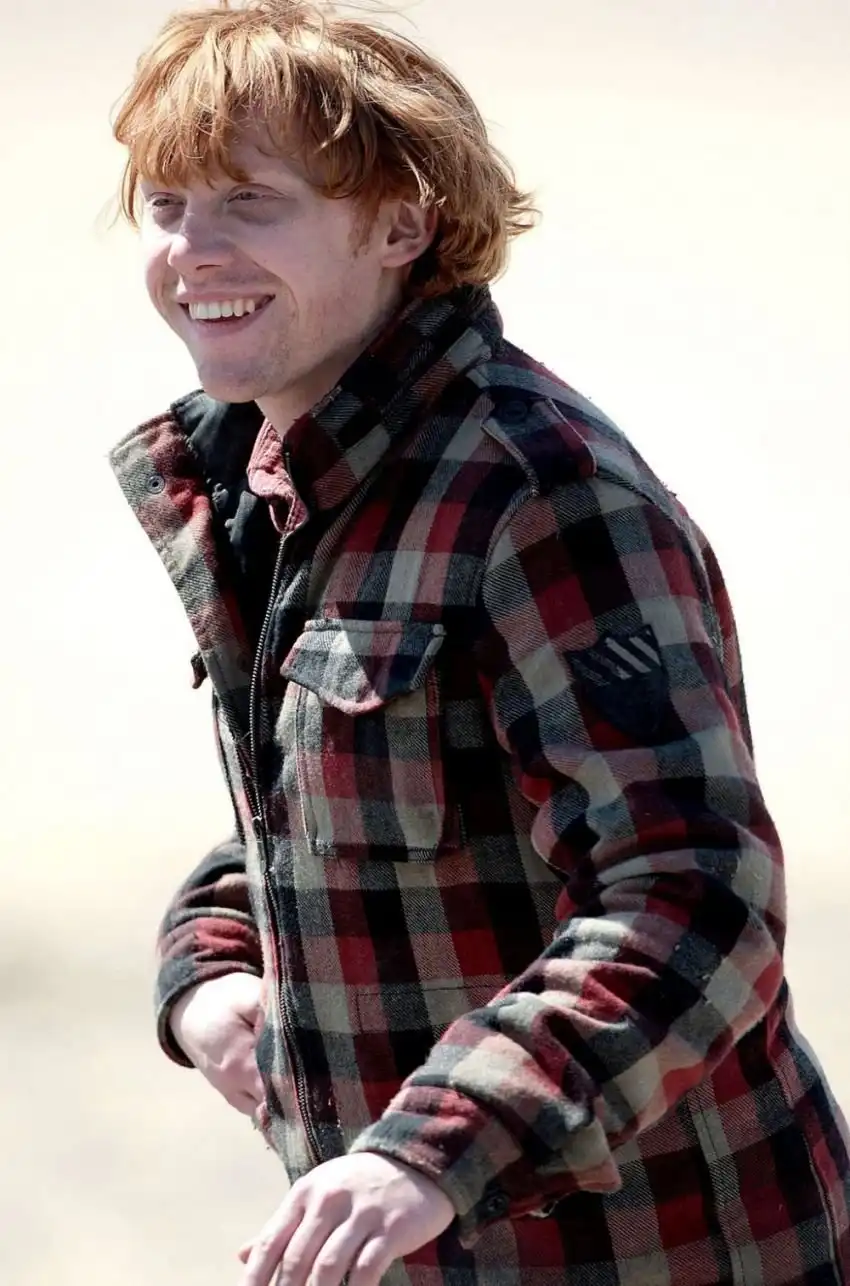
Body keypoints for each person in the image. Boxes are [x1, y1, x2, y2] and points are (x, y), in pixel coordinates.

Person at [108, 2, 850, 1283]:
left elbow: (693, 897)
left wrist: (427, 1151)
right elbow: (325, 810)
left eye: (251, 202)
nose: (192, 249)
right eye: (168, 205)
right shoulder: (282, 482)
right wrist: (208, 967)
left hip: (664, 1254)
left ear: (404, 224)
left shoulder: (538, 491)